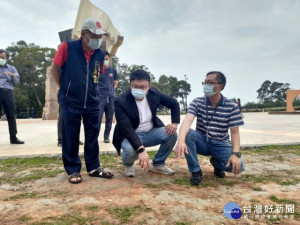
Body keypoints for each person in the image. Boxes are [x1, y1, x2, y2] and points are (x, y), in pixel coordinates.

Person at [50, 18, 114, 184]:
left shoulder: (100, 54)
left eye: (99, 36)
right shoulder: (67, 48)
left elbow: (97, 76)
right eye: (93, 35)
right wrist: (63, 88)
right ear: (83, 34)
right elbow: (54, 69)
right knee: (70, 136)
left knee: (92, 135)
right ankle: (72, 170)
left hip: (92, 101)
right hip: (71, 101)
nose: (97, 39)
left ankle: (93, 167)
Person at [174, 71, 245, 185]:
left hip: (220, 143)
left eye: (211, 83)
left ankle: (217, 163)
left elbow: (235, 133)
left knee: (238, 167)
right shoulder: (197, 102)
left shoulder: (231, 107)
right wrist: (181, 140)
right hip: (202, 141)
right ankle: (196, 171)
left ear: (220, 86)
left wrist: (235, 154)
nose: (206, 86)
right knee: (188, 133)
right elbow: (187, 120)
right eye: (205, 82)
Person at [113, 69, 180, 177]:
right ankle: (128, 164)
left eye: (143, 87)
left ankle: (158, 164)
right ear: (130, 85)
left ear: (148, 87)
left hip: (150, 132)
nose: (139, 89)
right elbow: (127, 129)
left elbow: (174, 103)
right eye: (135, 86)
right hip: (130, 135)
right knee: (131, 150)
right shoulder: (121, 101)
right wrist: (141, 150)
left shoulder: (154, 94)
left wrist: (175, 123)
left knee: (171, 134)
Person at [0, 49, 24, 144]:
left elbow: (17, 82)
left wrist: (13, 76)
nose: (0, 59)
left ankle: (13, 138)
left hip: (8, 92)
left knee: (11, 115)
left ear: (7, 58)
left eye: (2, 58)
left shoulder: (12, 68)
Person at [99, 51, 118, 143]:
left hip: (110, 97)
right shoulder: (97, 70)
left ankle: (106, 137)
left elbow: (115, 83)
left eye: (106, 59)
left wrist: (111, 91)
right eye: (103, 59)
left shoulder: (113, 70)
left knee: (109, 118)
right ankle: (94, 136)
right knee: (97, 118)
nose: (105, 61)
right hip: (100, 97)